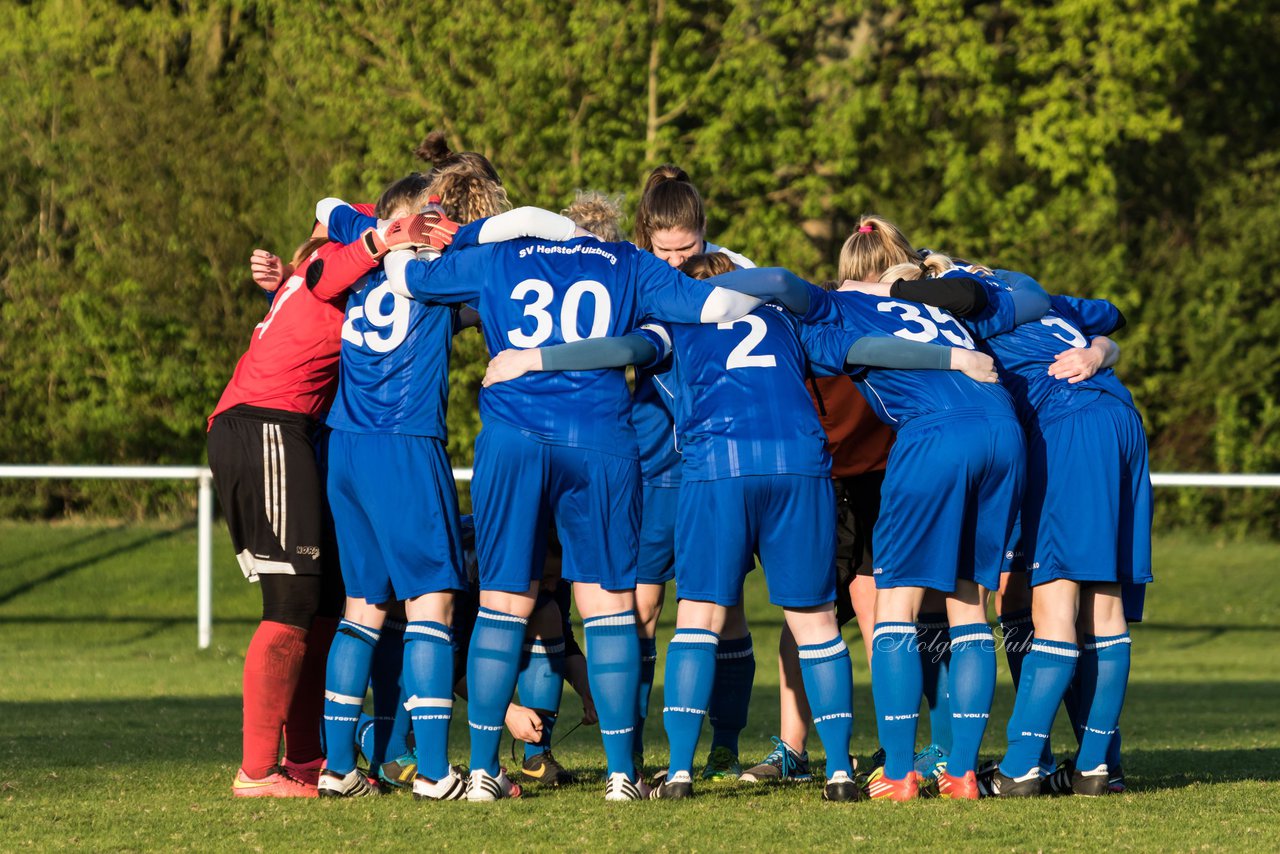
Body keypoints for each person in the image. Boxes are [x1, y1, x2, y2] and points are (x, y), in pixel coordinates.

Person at [480, 252, 999, 802]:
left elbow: (621, 350)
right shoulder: (786, 319)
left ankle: (678, 773)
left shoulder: (673, 320)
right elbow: (861, 351)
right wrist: (952, 358)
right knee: (817, 624)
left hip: (719, 465)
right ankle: (841, 774)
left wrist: (534, 358)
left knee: (699, 619)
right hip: (799, 465)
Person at [380, 221, 767, 802]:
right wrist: (788, 287)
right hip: (600, 439)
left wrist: (390, 239)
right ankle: (621, 776)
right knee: (608, 607)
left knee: (503, 605)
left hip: (513, 436)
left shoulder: (500, 255)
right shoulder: (627, 262)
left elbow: (407, 278)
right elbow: (717, 302)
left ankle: (484, 770)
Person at [882, 261, 1151, 798]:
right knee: (1104, 603)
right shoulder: (1034, 296)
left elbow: (949, 302)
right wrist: (1101, 352)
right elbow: (1112, 315)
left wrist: (893, 286)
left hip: (1066, 429)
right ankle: (1097, 766)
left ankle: (1024, 764)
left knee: (1055, 600)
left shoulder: (968, 305)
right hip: (1120, 418)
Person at [208, 211, 423, 798]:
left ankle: (305, 761)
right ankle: (256, 772)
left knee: (324, 600)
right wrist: (382, 238)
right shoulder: (320, 270)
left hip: (292, 433)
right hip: (266, 426)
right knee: (292, 597)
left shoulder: (304, 286)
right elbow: (329, 266)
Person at [630, 166, 759, 780]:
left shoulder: (734, 269)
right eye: (666, 250)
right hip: (656, 460)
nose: (679, 262)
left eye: (689, 247)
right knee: (643, 606)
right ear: (646, 238)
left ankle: (724, 743)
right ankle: (626, 747)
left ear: (705, 233)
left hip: (721, 463)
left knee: (720, 607)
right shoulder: (629, 271)